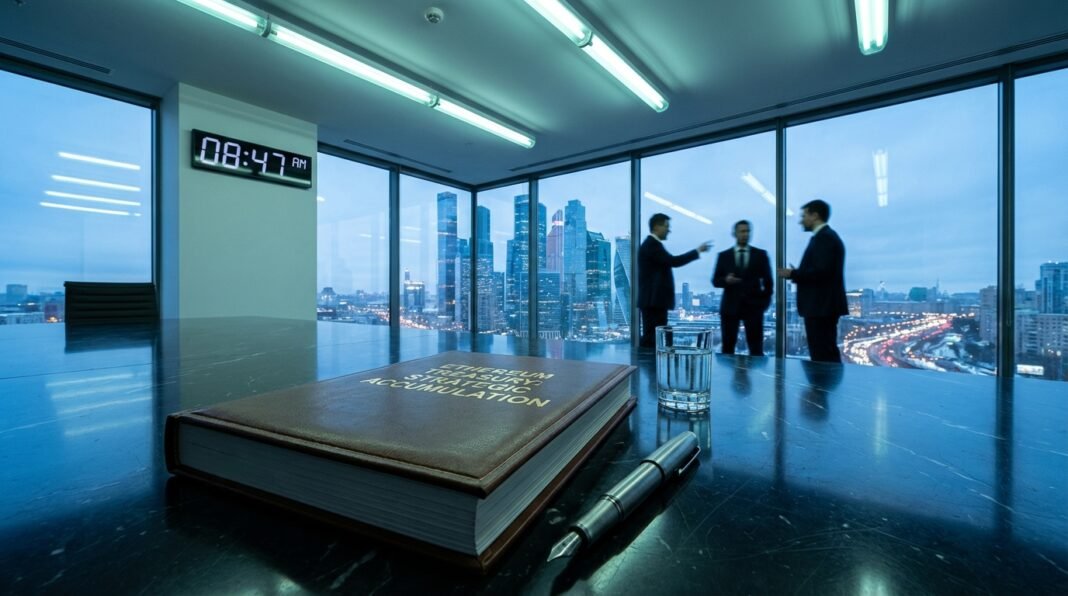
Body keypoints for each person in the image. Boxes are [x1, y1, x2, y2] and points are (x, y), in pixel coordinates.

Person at [778, 199, 847, 362]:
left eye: (804, 215)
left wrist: (793, 274)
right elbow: (822, 271)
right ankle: (823, 385)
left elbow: (821, 273)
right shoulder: (826, 237)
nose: (801, 220)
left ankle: (823, 386)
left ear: (815, 216)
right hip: (822, 306)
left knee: (822, 353)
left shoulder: (824, 238)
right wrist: (799, 273)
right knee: (824, 350)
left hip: (820, 307)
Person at [637, 213, 710, 348]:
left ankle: (647, 365)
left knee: (653, 336)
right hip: (654, 301)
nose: (669, 230)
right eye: (666, 226)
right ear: (656, 227)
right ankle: (647, 365)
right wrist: (697, 251)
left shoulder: (652, 245)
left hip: (653, 300)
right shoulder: (652, 245)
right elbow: (673, 261)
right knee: (652, 338)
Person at [711, 220, 773, 356]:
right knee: (727, 347)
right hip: (730, 309)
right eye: (742, 231)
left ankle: (757, 377)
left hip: (754, 308)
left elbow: (769, 283)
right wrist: (726, 281)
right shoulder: (723, 256)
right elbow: (715, 281)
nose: (745, 234)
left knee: (756, 348)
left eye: (748, 231)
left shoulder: (761, 255)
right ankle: (727, 377)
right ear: (735, 233)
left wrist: (762, 305)